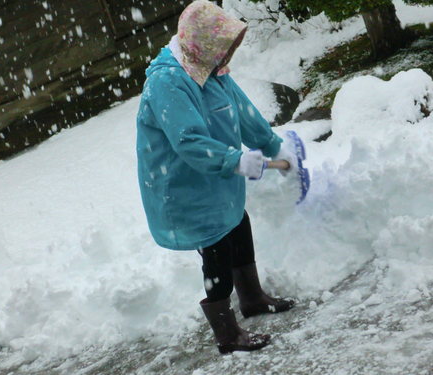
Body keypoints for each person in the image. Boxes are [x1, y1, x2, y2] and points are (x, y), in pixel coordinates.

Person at [136, 0, 296, 354]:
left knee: (237, 222)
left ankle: (252, 298)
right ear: (200, 44)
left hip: (215, 175)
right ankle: (227, 333)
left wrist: (272, 147)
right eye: (222, 48)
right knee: (216, 244)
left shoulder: (210, 67)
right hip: (182, 185)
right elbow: (187, 141)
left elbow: (242, 110)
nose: (227, 56)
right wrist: (235, 161)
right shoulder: (168, 81)